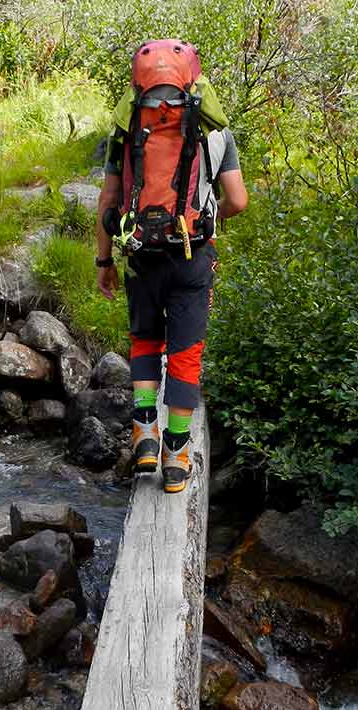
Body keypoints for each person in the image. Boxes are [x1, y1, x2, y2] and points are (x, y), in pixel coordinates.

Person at [95, 125, 248, 493]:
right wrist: (212, 219)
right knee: (186, 352)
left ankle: (145, 433)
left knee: (145, 338)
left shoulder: (128, 125)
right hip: (193, 254)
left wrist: (103, 262)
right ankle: (176, 456)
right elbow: (238, 200)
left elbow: (108, 201)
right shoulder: (217, 133)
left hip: (141, 253)